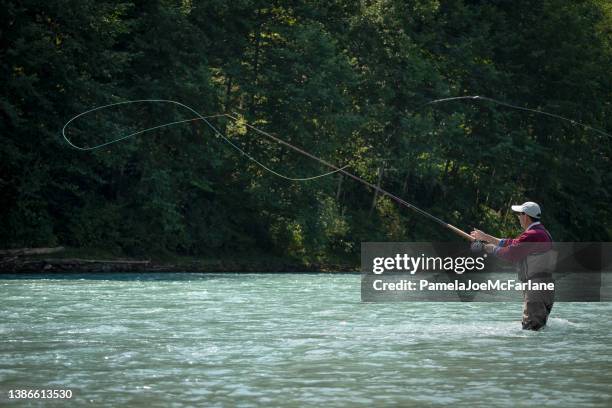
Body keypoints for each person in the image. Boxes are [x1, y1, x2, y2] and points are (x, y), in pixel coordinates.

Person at [470, 201, 555, 330]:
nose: (518, 217)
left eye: (519, 214)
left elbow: (511, 254)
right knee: (538, 328)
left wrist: (491, 249)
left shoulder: (533, 235)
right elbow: (511, 243)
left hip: (536, 288)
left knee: (531, 330)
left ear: (525, 216)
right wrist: (485, 237)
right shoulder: (540, 232)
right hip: (543, 287)